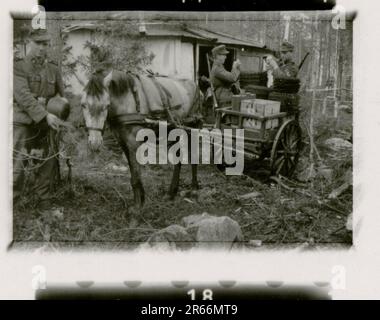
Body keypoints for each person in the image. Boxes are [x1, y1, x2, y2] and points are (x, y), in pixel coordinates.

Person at [13, 28, 66, 214]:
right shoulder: (18, 66)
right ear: (29, 43)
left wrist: (62, 110)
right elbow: (23, 97)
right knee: (17, 162)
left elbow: (62, 95)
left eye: (46, 44)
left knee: (48, 161)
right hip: (23, 121)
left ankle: (44, 201)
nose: (43, 48)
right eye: (39, 44)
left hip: (47, 123)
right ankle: (11, 202)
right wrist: (45, 114)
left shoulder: (53, 68)